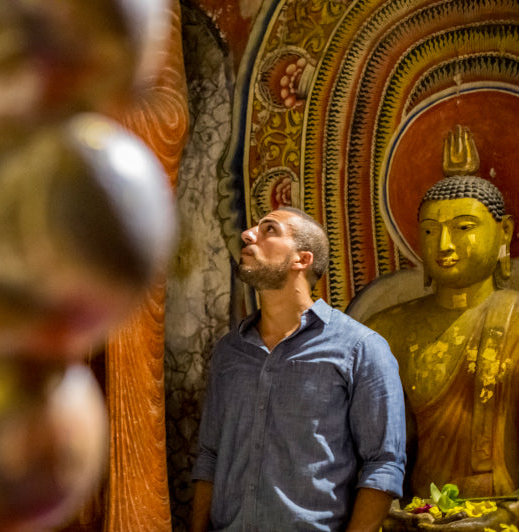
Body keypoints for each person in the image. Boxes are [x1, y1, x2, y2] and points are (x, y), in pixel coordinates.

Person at [191, 207, 406, 532]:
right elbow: (209, 456)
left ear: (302, 259)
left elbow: (384, 465)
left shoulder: (360, 349)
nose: (247, 236)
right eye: (252, 229)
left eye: (269, 230)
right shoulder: (229, 352)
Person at [365, 127, 519, 511]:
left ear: (505, 232)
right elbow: (381, 451)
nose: (445, 246)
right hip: (420, 513)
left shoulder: (516, 319)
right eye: (431, 231)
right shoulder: (386, 330)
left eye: (464, 228)